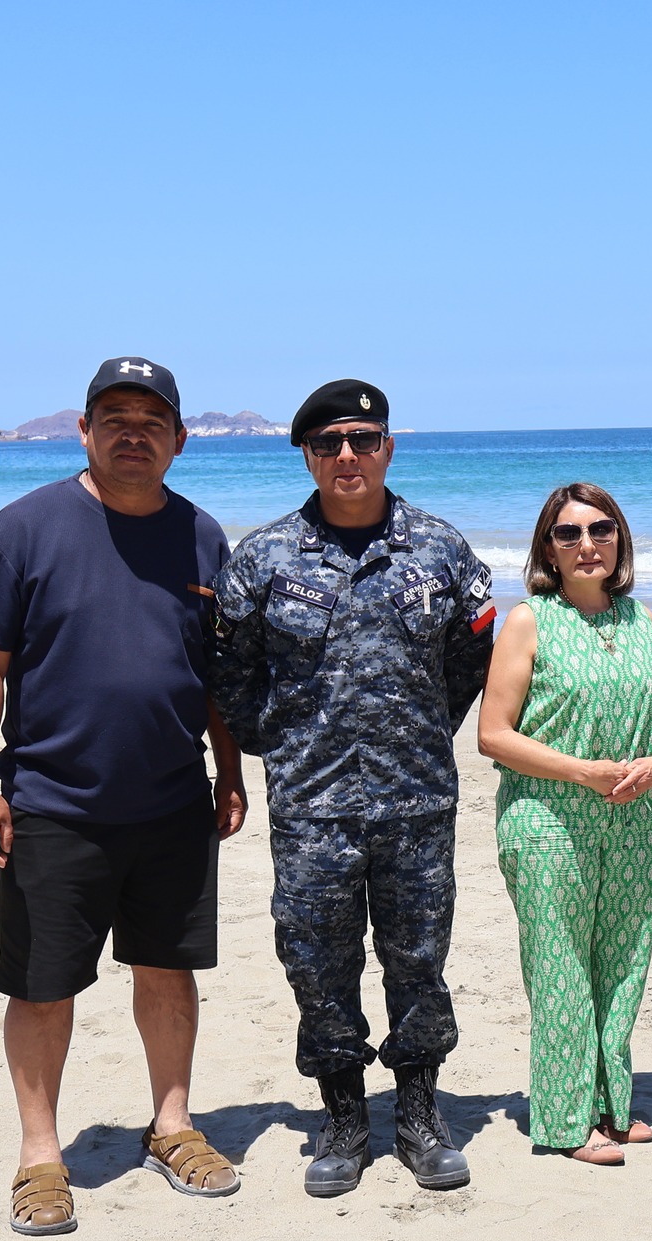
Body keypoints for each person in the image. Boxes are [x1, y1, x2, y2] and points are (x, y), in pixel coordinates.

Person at [0, 357, 247, 1235]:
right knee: (43, 985)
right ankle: (41, 1154)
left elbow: (213, 676)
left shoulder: (202, 537)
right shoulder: (25, 528)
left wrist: (228, 772)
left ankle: (174, 1124)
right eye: (113, 416)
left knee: (168, 968)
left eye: (151, 421)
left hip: (170, 804)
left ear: (180, 441)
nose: (132, 432)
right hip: (51, 803)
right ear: (83, 429)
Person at [210, 379, 494, 1197]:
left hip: (417, 804)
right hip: (311, 811)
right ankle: (341, 1117)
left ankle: (418, 1113)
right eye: (329, 443)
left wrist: (417, 731)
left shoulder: (440, 549)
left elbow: (472, 656)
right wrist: (284, 746)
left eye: (363, 440)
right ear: (307, 454)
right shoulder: (264, 557)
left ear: (388, 449)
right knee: (317, 963)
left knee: (418, 962)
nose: (347, 456)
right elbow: (229, 672)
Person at [478, 483, 652, 1166]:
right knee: (560, 966)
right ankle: (564, 1120)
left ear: (620, 539)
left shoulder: (642, 619)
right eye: (569, 534)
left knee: (623, 963)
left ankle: (611, 1105)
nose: (587, 543)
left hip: (638, 820)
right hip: (548, 818)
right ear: (549, 549)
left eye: (601, 529)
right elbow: (492, 734)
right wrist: (582, 771)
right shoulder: (529, 620)